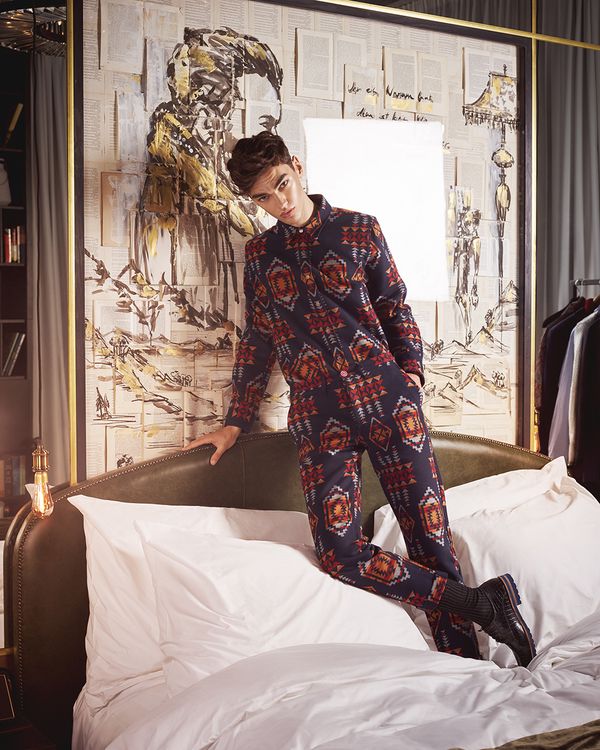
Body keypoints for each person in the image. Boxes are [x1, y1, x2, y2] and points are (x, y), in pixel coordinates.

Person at [184, 131, 536, 666]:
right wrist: (236, 421)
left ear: (296, 166)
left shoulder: (358, 229)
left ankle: (464, 669)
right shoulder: (260, 255)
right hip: (320, 417)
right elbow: (257, 341)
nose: (280, 202)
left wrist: (412, 374)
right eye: (263, 198)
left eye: (282, 184)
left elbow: (395, 305)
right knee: (339, 553)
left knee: (430, 539)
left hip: (390, 402)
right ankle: (482, 604)